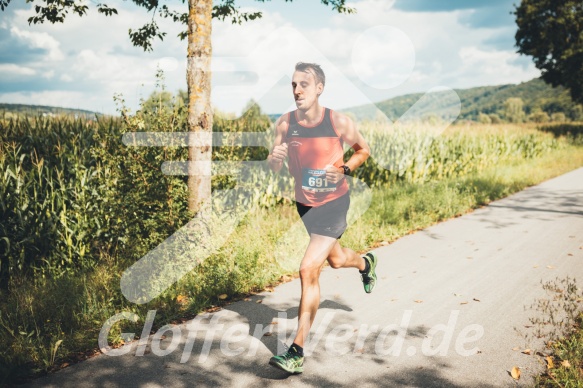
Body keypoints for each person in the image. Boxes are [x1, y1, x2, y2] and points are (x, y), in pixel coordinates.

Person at [267, 62, 377, 374]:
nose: (297, 90)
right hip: (305, 205)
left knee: (307, 269)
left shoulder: (338, 121)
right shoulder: (285, 124)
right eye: (293, 85)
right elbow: (276, 166)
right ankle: (366, 263)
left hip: (334, 203)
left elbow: (363, 150)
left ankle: (296, 350)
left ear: (319, 88)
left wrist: (344, 169)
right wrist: (274, 159)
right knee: (337, 260)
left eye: (304, 84)